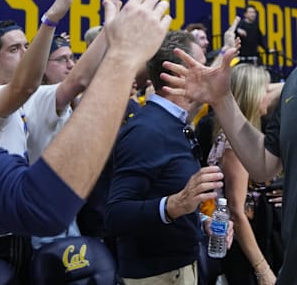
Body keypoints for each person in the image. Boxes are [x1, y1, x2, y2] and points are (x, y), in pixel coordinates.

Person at [0, 0, 171, 284]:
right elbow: (26, 86)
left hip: (16, 232)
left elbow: (76, 80)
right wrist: (119, 55)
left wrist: (111, 32)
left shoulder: (28, 101)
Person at [159, 36, 296, 285]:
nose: (267, 95)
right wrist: (222, 99)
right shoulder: (292, 84)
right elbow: (263, 167)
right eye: (262, 91)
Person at [105, 31, 233, 284]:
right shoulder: (146, 130)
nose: (208, 72)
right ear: (177, 73)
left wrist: (202, 220)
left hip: (179, 267)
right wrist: (174, 205)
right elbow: (115, 216)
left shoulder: (173, 123)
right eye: (201, 65)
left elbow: (165, 190)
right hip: (155, 275)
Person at [207, 64, 277, 285]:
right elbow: (236, 212)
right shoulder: (234, 144)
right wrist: (262, 269)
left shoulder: (236, 135)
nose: (269, 96)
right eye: (264, 91)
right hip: (245, 247)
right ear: (250, 95)